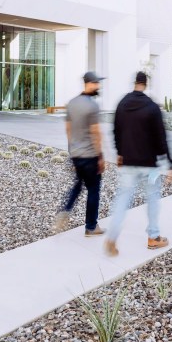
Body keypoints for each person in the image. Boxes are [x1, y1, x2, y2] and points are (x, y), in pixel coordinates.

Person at [105, 71, 172, 257]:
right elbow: (162, 137)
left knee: (122, 198)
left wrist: (119, 153)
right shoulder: (152, 106)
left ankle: (112, 236)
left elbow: (115, 131)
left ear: (134, 83)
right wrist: (170, 162)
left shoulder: (122, 104)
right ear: (145, 84)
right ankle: (153, 237)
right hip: (149, 165)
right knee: (152, 197)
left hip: (128, 162)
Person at [53, 71, 106, 236]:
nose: (99, 86)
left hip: (75, 154)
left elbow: (68, 129)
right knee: (93, 189)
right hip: (90, 155)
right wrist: (101, 156)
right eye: (97, 83)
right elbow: (96, 132)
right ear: (89, 84)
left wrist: (72, 150)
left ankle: (66, 208)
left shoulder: (72, 103)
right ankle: (91, 227)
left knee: (78, 184)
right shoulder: (92, 105)